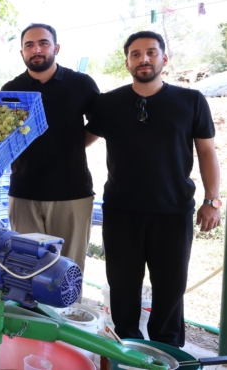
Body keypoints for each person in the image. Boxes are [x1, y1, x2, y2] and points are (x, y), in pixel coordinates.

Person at [85, 31, 220, 348]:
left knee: (170, 289)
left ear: (164, 58)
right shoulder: (108, 103)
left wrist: (212, 200)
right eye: (135, 54)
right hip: (122, 212)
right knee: (122, 287)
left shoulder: (191, 101)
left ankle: (166, 350)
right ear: (128, 61)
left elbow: (207, 153)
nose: (143, 59)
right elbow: (79, 140)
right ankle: (126, 349)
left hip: (173, 212)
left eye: (150, 52)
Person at [0, 23, 100, 273]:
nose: (36, 49)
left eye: (43, 43)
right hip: (24, 192)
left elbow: (99, 124)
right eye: (29, 45)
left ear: (56, 47)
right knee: (25, 270)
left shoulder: (81, 84)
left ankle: (66, 313)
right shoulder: (10, 90)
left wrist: (73, 145)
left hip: (72, 193)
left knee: (67, 270)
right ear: (22, 52)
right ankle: (28, 314)